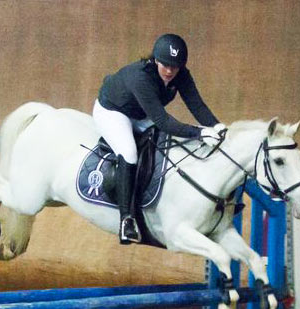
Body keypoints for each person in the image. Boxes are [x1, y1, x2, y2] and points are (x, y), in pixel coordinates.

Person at [93, 33, 225, 245]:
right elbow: (163, 121)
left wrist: (217, 127)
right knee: (129, 152)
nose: (170, 71)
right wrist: (200, 133)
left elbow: (196, 105)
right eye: (165, 65)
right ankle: (126, 220)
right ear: (155, 60)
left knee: (166, 144)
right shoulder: (141, 78)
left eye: (175, 66)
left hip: (140, 113)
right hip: (113, 111)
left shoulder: (180, 75)